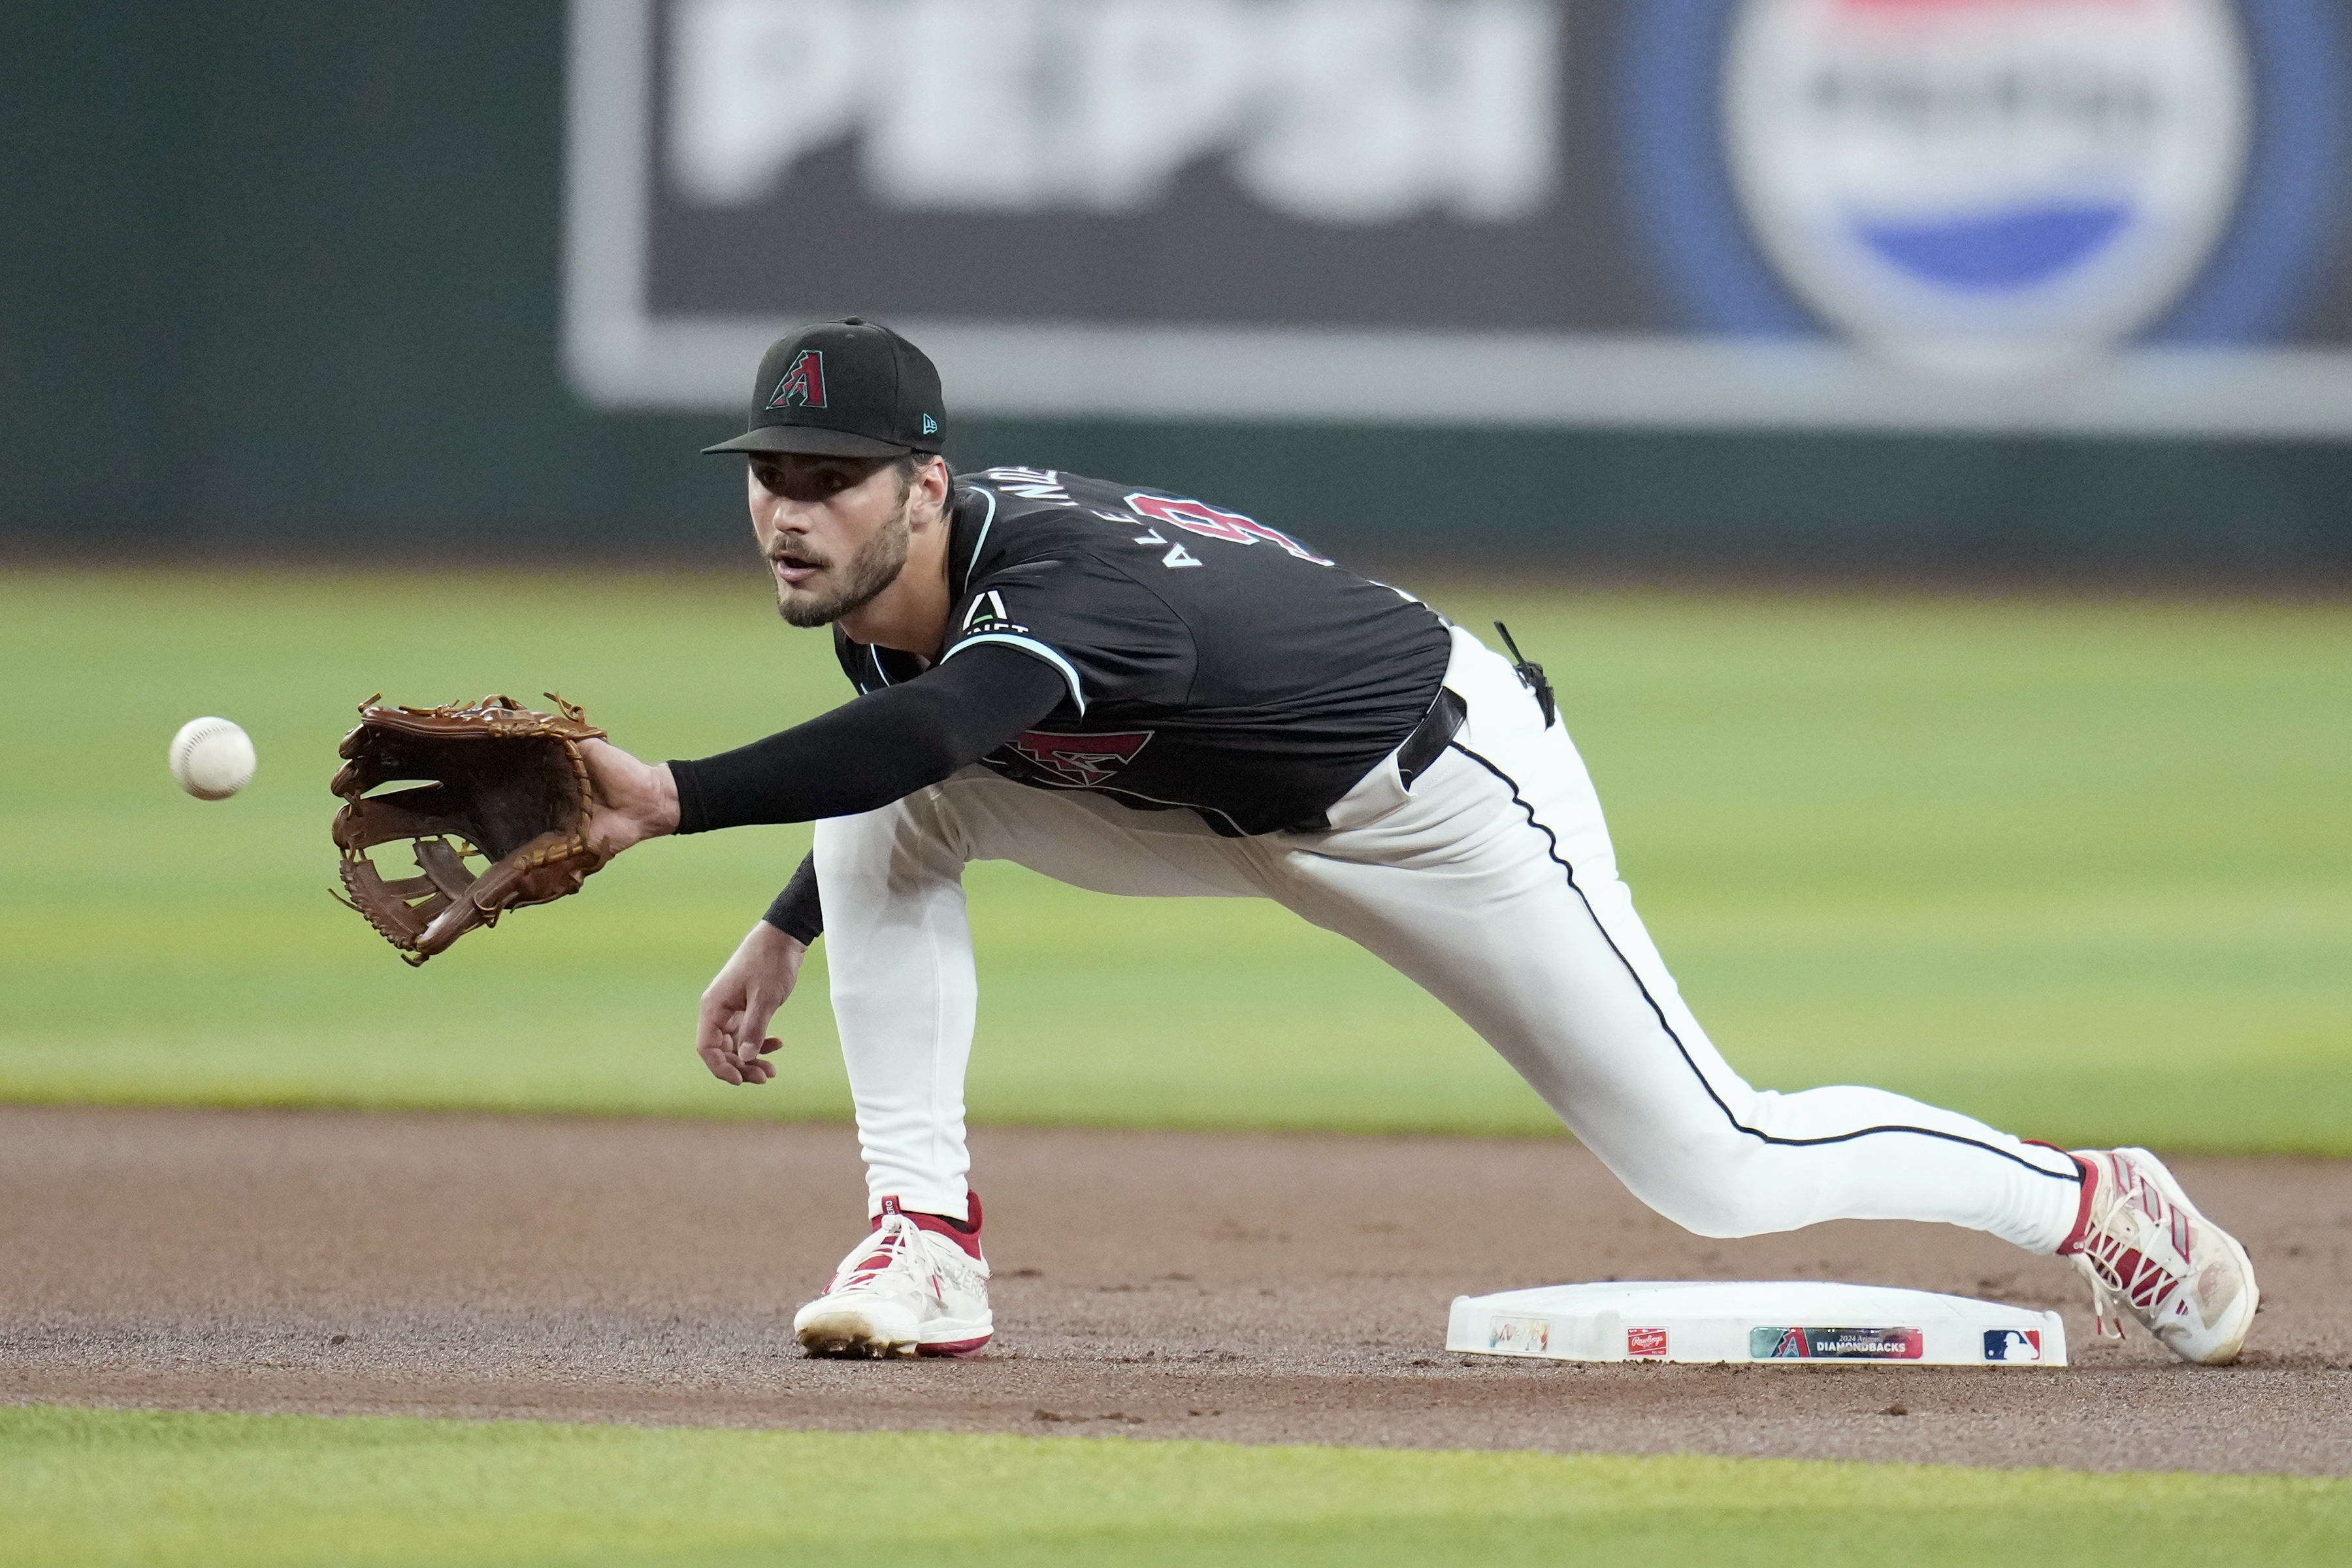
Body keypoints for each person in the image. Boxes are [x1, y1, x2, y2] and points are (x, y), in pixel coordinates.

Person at [578, 318, 2258, 1365]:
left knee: (1720, 1169)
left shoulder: (1062, 581)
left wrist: (668, 795)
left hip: (1439, 796)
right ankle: (923, 1248)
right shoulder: (880, 590)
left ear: (927, 487)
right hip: (1214, 795)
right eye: (770, 471)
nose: (792, 509)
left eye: (837, 475)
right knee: (885, 812)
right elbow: (917, 752)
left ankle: (2097, 1201)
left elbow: (951, 723)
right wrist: (793, 918)